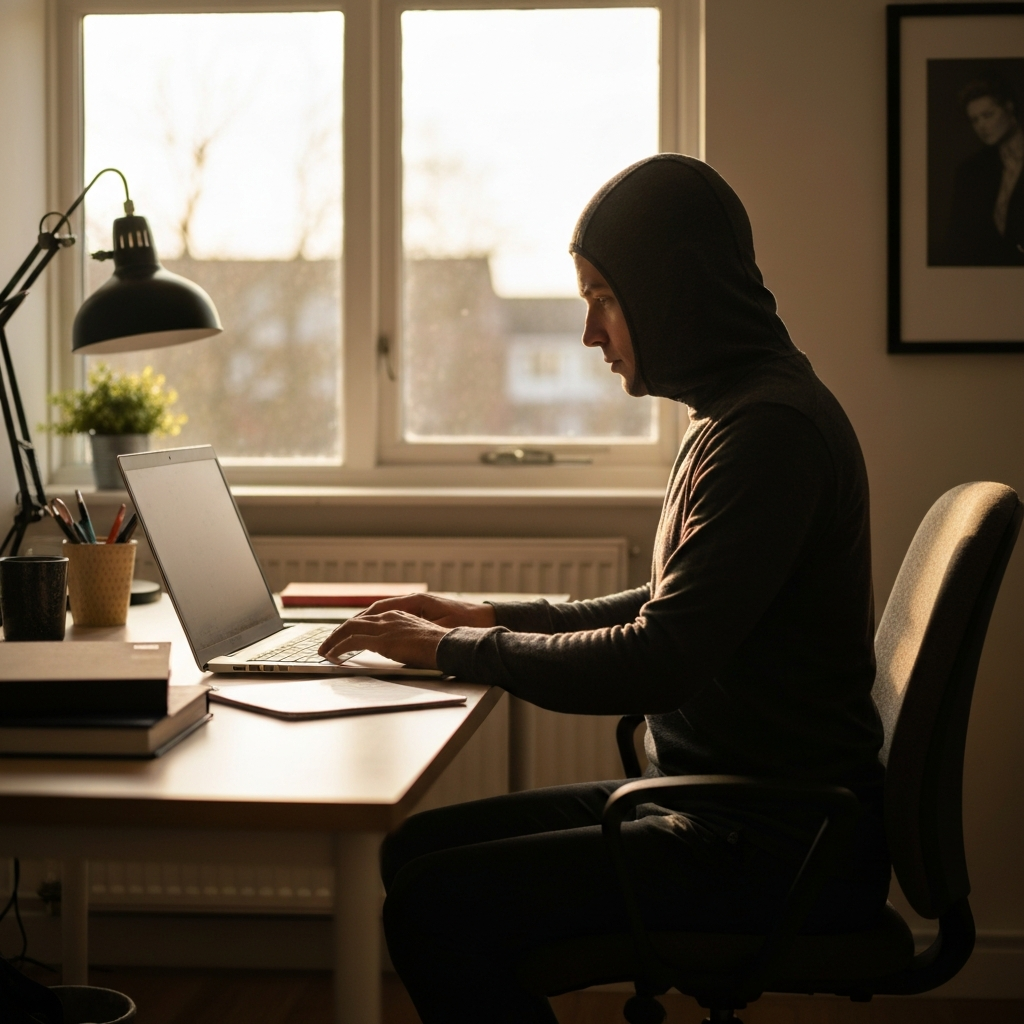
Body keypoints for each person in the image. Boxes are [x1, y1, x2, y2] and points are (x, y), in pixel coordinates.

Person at [319, 155, 889, 1024]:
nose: (591, 334)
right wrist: (488, 614)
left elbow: (662, 659)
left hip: (770, 844)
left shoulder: (768, 435)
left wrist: (456, 650)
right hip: (730, 810)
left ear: (673, 292)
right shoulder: (737, 414)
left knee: (435, 905)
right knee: (417, 853)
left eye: (603, 299)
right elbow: (668, 604)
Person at [945, 77, 1024, 265]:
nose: (981, 127)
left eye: (988, 115)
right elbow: (958, 245)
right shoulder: (970, 172)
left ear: (1009, 107)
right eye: (974, 120)